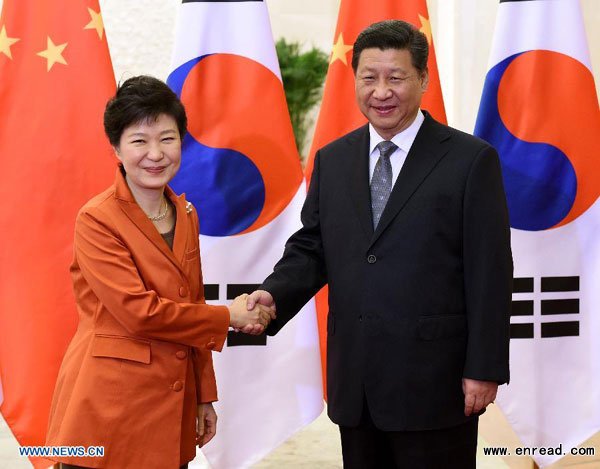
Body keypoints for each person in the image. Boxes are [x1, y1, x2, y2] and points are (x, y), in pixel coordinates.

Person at [246, 20, 512, 468]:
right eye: (369, 77)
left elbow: (490, 273)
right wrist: (272, 295)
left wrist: (484, 368)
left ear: (423, 79)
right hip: (359, 382)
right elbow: (312, 248)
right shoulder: (333, 159)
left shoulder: (470, 161)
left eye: (396, 77)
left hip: (436, 384)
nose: (381, 91)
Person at [45, 75, 274, 469]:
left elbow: (191, 304)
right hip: (106, 409)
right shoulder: (97, 219)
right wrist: (230, 316)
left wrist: (204, 395)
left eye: (167, 139)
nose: (156, 153)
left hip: (170, 406)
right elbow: (139, 311)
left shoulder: (185, 214)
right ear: (116, 147)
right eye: (139, 141)